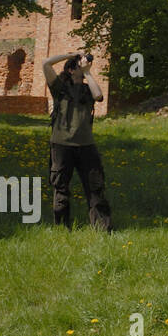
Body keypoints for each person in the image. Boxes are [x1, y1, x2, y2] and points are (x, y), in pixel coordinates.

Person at [42, 49, 113, 232]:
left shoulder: (88, 89)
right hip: (62, 144)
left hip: (86, 145)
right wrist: (71, 54)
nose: (84, 65)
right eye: (79, 65)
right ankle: (62, 229)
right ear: (72, 70)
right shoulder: (59, 88)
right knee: (61, 188)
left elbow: (99, 96)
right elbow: (46, 63)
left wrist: (88, 72)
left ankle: (102, 229)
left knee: (95, 188)